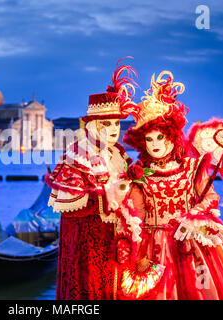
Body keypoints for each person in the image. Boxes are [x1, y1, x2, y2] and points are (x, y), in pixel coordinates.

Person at [118, 71, 223, 300]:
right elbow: (134, 214)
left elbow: (210, 198)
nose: (155, 145)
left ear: (171, 136)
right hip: (153, 250)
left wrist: (193, 217)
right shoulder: (139, 173)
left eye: (160, 137)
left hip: (190, 245)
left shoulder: (192, 167)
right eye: (149, 139)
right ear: (142, 142)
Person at [46, 62, 140, 299]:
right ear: (92, 125)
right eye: (105, 124)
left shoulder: (119, 154)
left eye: (116, 123)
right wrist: (108, 194)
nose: (113, 130)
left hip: (116, 242)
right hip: (86, 246)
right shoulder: (77, 154)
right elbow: (70, 205)